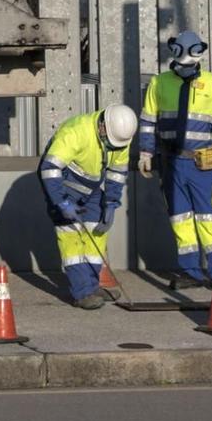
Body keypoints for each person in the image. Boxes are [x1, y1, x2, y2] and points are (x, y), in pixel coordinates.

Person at [136, 30, 212, 289]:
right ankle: (190, 272)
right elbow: (148, 121)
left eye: (191, 65)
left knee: (207, 218)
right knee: (180, 218)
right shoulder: (159, 83)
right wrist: (146, 152)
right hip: (171, 162)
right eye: (182, 65)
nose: (186, 69)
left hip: (200, 164)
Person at [38, 105, 137, 308]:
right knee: (72, 237)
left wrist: (110, 204)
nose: (114, 148)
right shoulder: (77, 131)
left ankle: (92, 286)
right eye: (111, 143)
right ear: (102, 128)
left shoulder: (120, 138)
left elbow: (116, 174)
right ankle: (82, 292)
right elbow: (49, 169)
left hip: (90, 190)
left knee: (97, 232)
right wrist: (61, 202)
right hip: (61, 188)